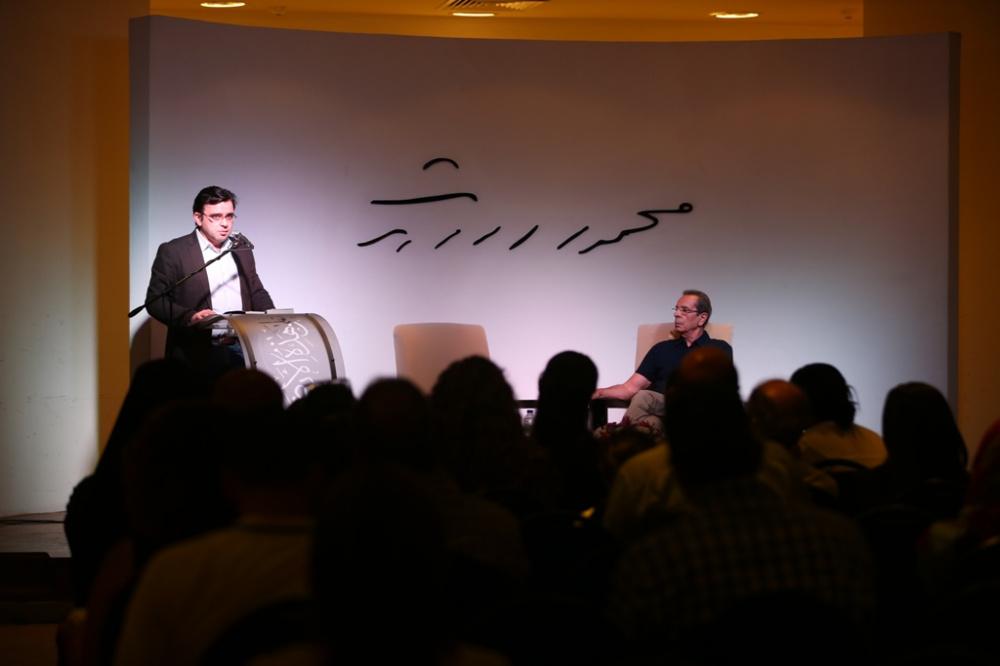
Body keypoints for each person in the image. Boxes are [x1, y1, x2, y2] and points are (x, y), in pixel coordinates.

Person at [144, 185, 273, 372]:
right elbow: (156, 301)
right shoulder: (174, 251)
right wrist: (190, 316)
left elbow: (256, 290)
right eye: (216, 217)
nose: (225, 224)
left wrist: (273, 319)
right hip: (197, 352)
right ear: (198, 218)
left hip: (241, 349)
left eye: (229, 216)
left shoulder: (241, 249)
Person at [593, 289, 732, 426]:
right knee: (648, 415)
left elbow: (720, 391)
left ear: (702, 318)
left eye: (685, 310)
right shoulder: (662, 349)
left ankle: (622, 435)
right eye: (676, 309)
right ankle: (626, 435)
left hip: (696, 413)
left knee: (645, 403)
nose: (676, 314)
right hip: (662, 409)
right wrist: (598, 393)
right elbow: (630, 388)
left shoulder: (718, 349)